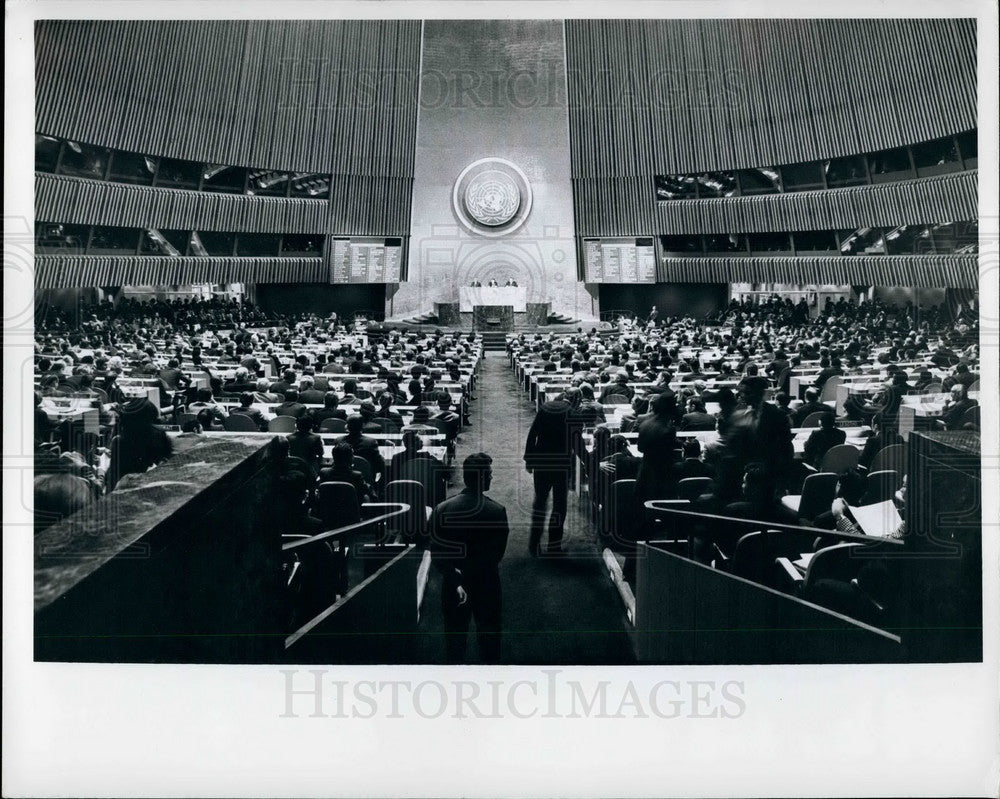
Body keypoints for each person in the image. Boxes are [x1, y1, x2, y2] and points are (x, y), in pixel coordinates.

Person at [429, 453, 509, 664]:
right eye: (490, 474)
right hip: (487, 582)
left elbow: (436, 551)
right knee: (490, 639)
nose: (492, 478)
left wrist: (454, 576)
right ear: (482, 478)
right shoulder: (497, 511)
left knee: (454, 640)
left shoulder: (442, 509)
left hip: (453, 583)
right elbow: (497, 554)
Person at [523, 392, 574, 556]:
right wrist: (588, 463)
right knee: (560, 505)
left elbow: (533, 434)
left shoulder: (545, 409)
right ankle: (554, 546)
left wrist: (529, 460)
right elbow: (577, 442)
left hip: (542, 461)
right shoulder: (571, 412)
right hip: (561, 463)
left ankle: (533, 543)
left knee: (540, 501)